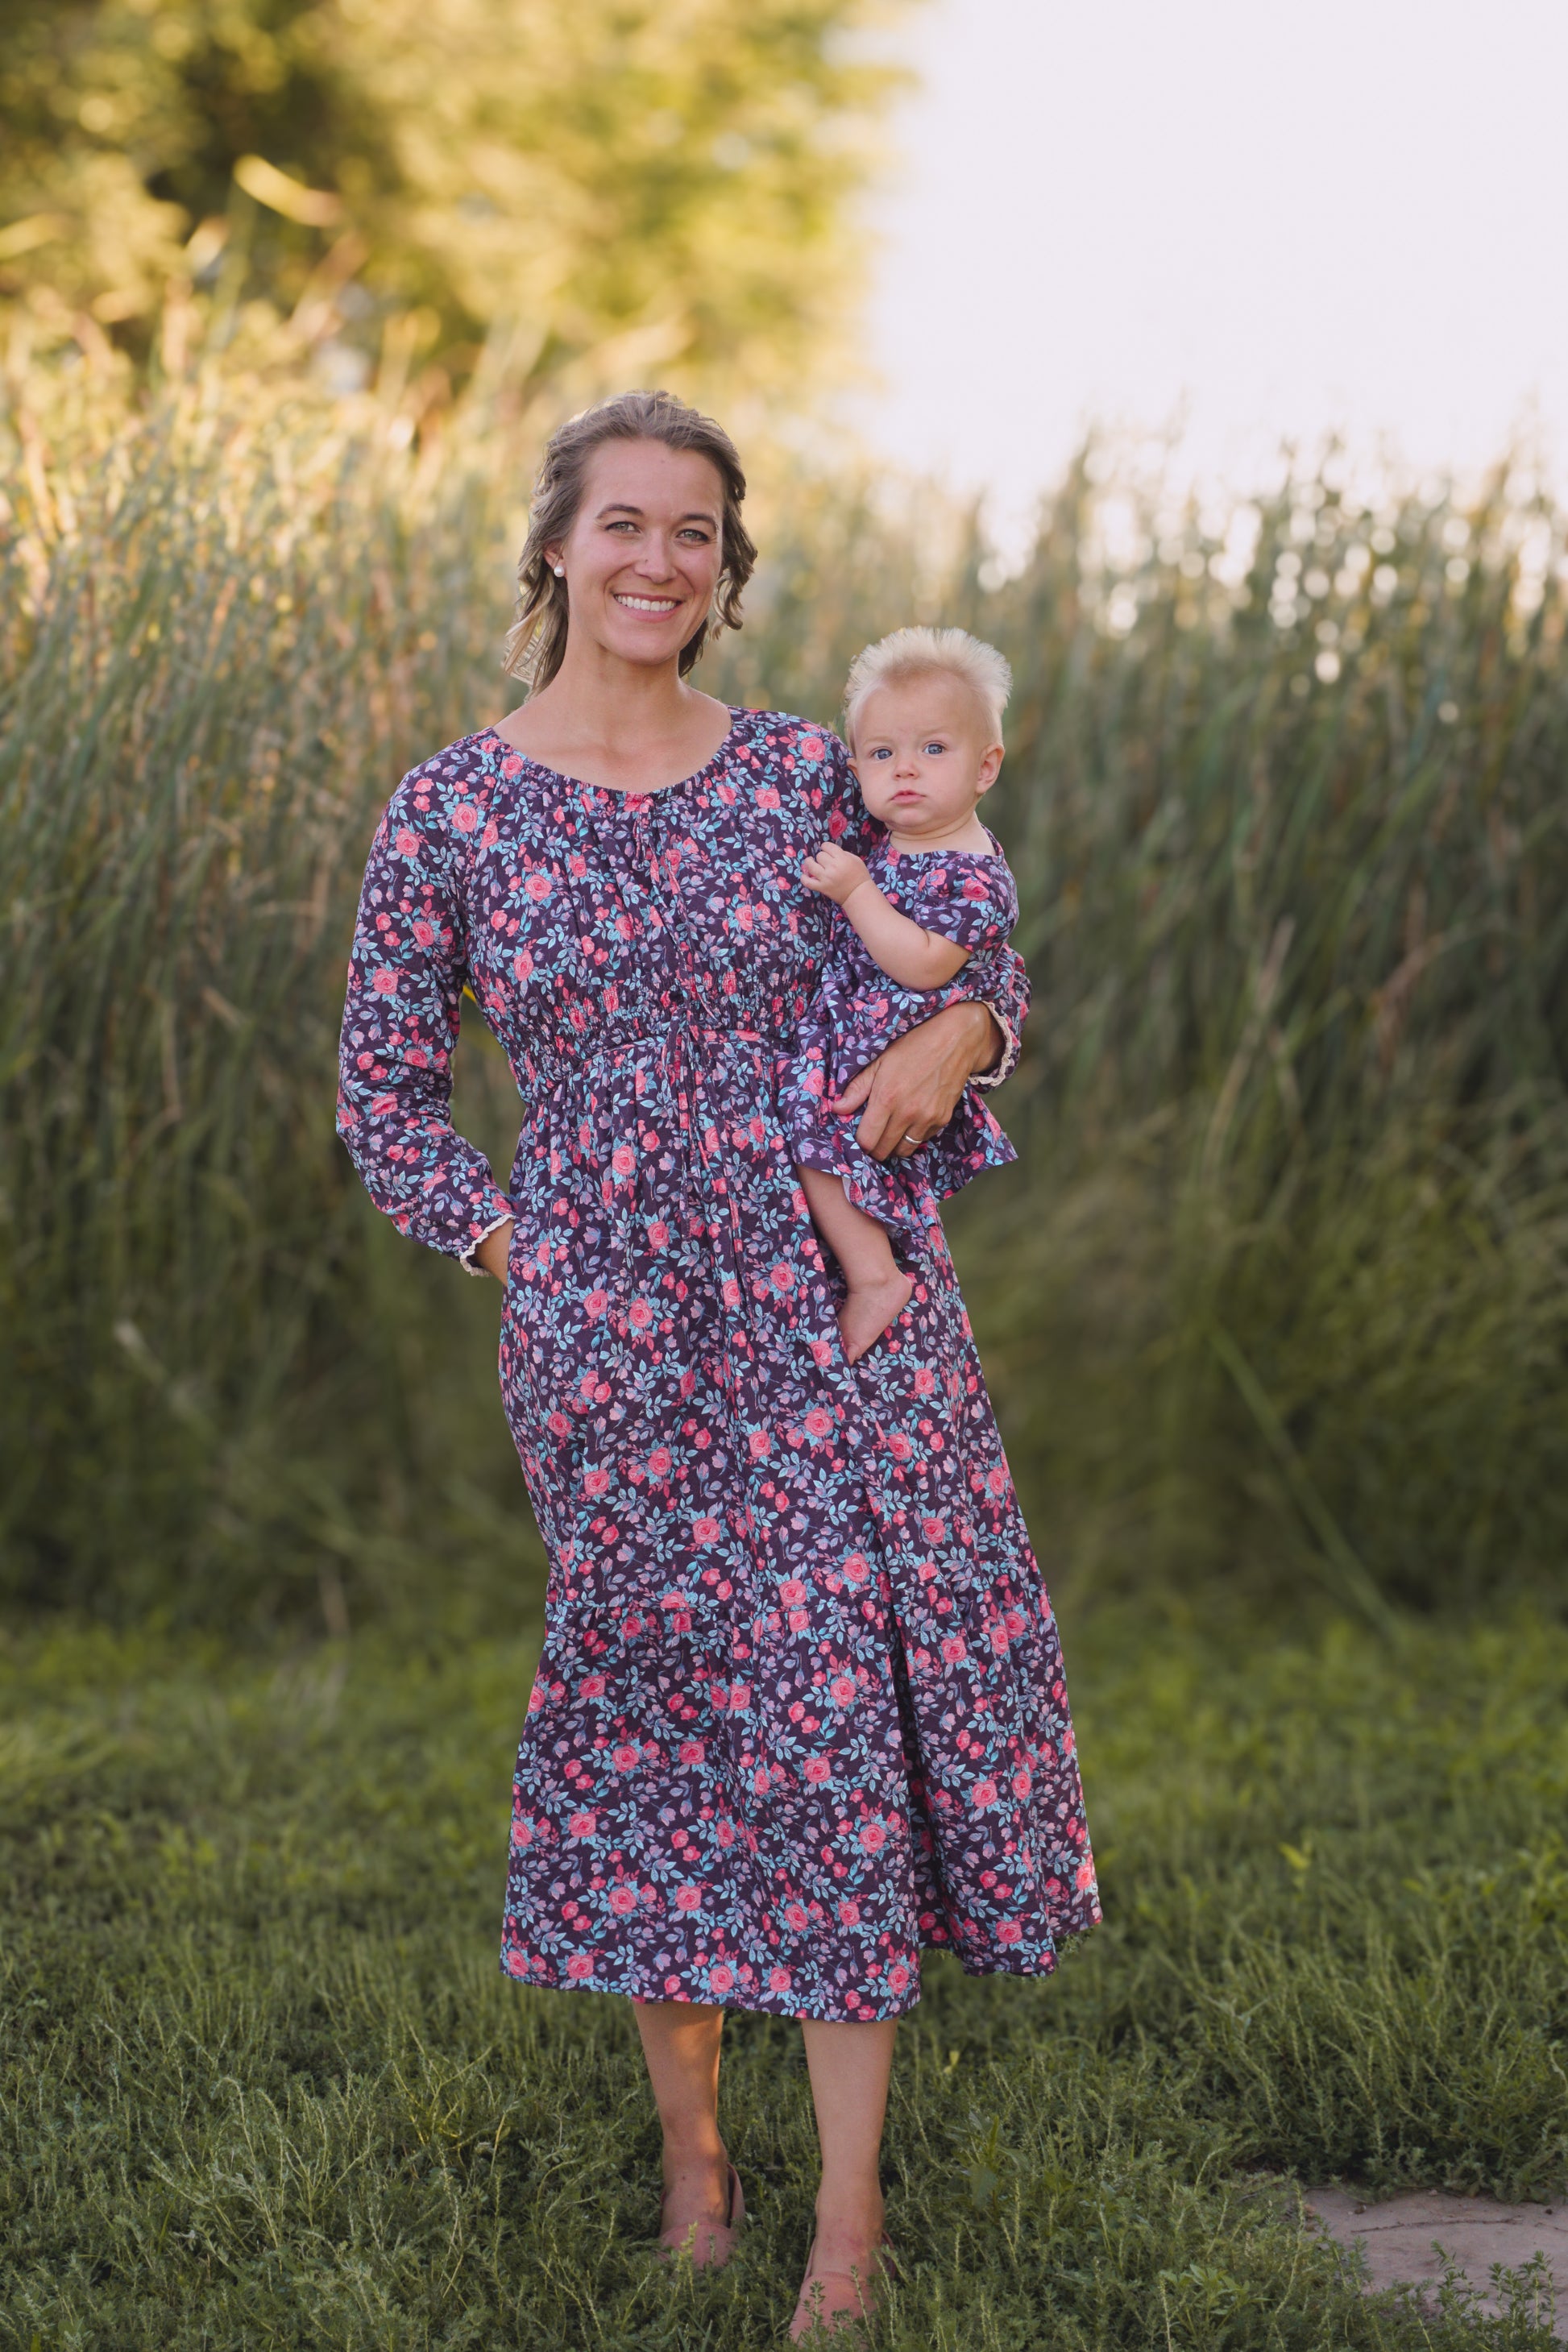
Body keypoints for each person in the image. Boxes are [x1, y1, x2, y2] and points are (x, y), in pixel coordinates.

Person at [336, 390, 1099, 2343]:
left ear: (728, 566)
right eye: (626, 526)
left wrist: (978, 1043)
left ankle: (846, 2225)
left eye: (697, 532)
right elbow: (387, 1097)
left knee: (840, 1715)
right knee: (668, 1720)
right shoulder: (455, 806)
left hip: (833, 1306)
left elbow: (957, 941)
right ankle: (699, 2161)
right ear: (557, 548)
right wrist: (525, 1249)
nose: (660, 562)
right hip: (608, 1339)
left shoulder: (797, 777)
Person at [786, 626, 1021, 1363]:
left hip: (879, 1044)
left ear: (986, 768)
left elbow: (924, 966)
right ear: (856, 765)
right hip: (860, 1029)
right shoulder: (902, 839)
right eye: (883, 755)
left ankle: (874, 1274)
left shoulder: (974, 874)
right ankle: (873, 1266)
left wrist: (855, 889)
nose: (906, 770)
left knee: (814, 1121)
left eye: (933, 749)